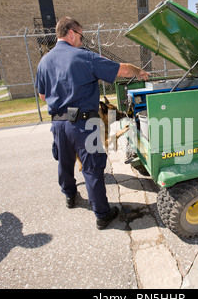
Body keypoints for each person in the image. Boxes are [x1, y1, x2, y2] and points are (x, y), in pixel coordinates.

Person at [35, 17, 150, 230]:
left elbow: (43, 96)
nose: (81, 40)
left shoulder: (44, 61)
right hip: (83, 124)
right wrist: (138, 71)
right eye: (81, 36)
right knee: (92, 168)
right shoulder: (84, 57)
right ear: (71, 33)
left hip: (58, 123)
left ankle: (70, 196)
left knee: (65, 163)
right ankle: (102, 214)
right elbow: (122, 70)